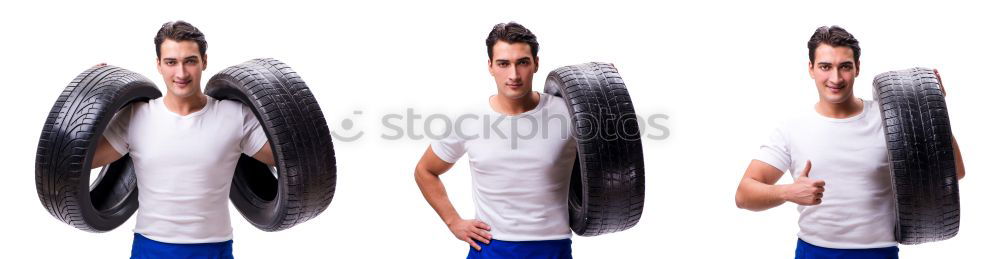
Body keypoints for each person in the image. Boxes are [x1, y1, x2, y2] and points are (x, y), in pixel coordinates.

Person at [734, 25, 966, 259]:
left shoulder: (889, 118)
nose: (835, 78)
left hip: (878, 253)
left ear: (857, 68)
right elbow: (744, 195)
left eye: (844, 66)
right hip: (814, 252)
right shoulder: (792, 127)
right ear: (811, 69)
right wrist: (787, 192)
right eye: (825, 66)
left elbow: (955, 172)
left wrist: (935, 112)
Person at [90, 20, 275, 259]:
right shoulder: (136, 115)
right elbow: (83, 160)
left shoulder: (235, 115)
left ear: (204, 61)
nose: (181, 73)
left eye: (190, 61)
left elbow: (292, 161)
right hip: (150, 248)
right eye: (171, 62)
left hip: (213, 250)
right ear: (158, 65)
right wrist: (93, 101)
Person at [413, 22, 576, 258]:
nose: (514, 75)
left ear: (536, 64)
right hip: (490, 248)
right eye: (503, 63)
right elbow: (425, 170)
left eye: (522, 62)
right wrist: (454, 222)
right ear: (490, 66)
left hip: (552, 247)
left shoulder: (570, 113)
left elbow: (614, 158)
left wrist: (606, 87)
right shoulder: (469, 119)